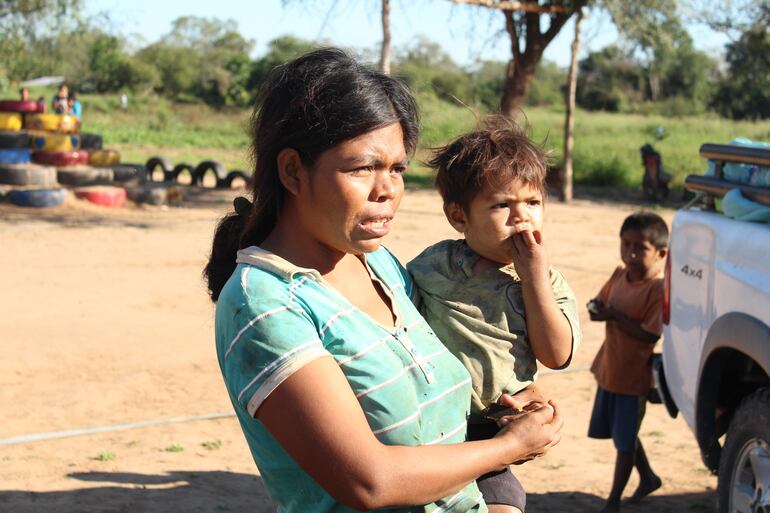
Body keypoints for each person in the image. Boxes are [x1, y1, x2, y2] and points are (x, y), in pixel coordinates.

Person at [204, 48, 563, 513]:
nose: (388, 189)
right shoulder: (264, 305)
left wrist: (504, 400)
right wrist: (511, 448)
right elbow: (369, 482)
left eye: (397, 168)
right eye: (362, 168)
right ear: (293, 170)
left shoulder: (382, 267)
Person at [407, 116, 581, 513]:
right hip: (427, 424)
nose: (522, 217)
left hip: (493, 429)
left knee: (505, 504)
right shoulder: (435, 266)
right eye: (502, 205)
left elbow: (556, 354)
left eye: (533, 203)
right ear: (458, 216)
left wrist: (533, 276)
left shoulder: (547, 283)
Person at [587, 211, 668, 513]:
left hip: (634, 377)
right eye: (626, 245)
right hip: (610, 368)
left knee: (624, 441)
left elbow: (649, 335)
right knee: (625, 434)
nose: (631, 254)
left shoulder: (657, 289)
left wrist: (615, 315)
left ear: (660, 253)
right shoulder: (619, 275)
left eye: (640, 248)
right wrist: (596, 309)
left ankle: (612, 501)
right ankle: (648, 477)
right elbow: (600, 305)